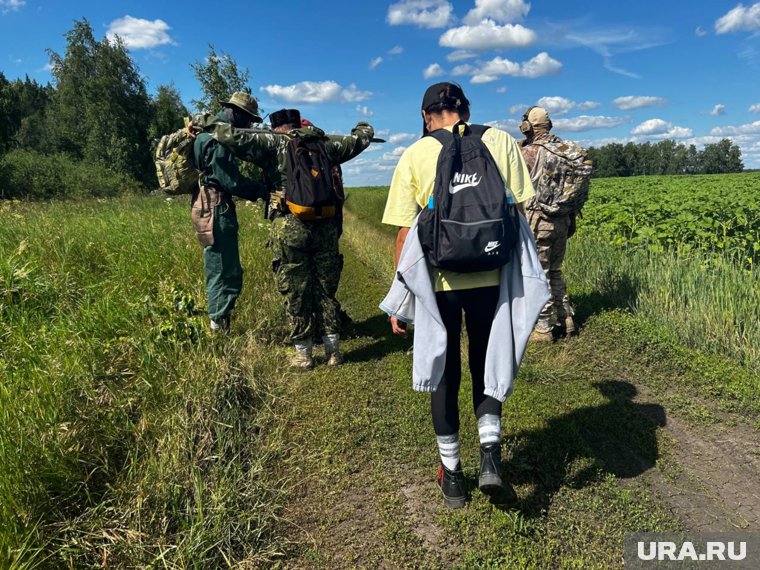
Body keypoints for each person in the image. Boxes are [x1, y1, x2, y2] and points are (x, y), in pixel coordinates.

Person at [381, 82, 547, 508]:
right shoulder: (502, 141)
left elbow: (405, 232)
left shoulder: (416, 154)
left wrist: (400, 295)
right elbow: (519, 213)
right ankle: (490, 456)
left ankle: (452, 476)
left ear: (425, 115)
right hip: (493, 277)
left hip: (440, 284)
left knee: (445, 370)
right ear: (466, 110)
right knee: (487, 363)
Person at [198, 109, 374, 368]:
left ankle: (303, 354)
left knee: (296, 289)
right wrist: (363, 125)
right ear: (297, 122)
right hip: (325, 226)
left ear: (275, 126)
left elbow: (230, 136)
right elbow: (361, 139)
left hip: (289, 226)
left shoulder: (271, 142)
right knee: (326, 288)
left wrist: (204, 121)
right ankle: (333, 351)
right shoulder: (325, 143)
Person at [190, 91, 268, 332]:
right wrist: (263, 190)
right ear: (236, 113)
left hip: (205, 204)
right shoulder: (218, 138)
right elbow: (231, 182)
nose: (248, 125)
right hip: (216, 207)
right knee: (224, 269)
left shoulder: (205, 134)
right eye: (248, 119)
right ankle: (219, 328)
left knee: (219, 266)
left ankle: (220, 324)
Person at [520, 106, 586, 341]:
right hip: (563, 220)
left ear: (528, 126)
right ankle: (565, 317)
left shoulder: (530, 152)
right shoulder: (565, 150)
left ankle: (543, 327)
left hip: (540, 221)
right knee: (555, 270)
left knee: (540, 273)